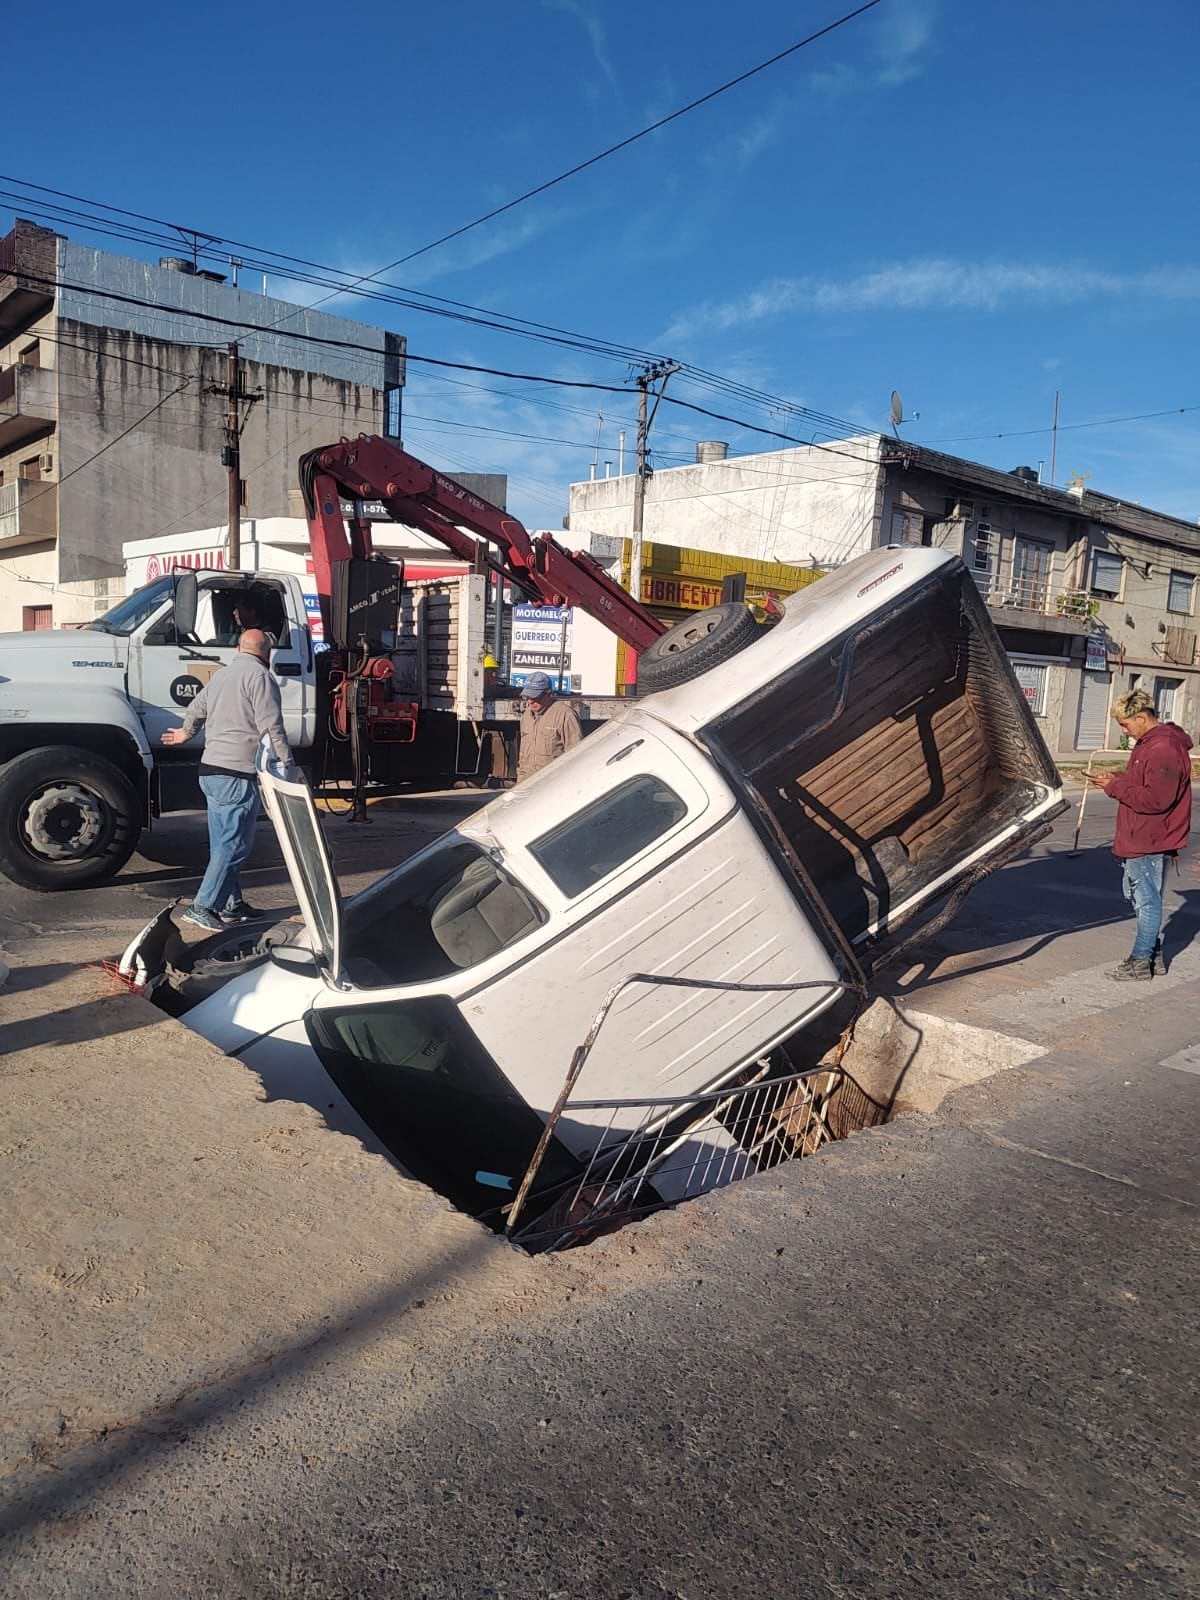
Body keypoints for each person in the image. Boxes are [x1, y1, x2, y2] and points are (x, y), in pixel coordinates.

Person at [161, 628, 295, 930]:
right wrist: (288, 765)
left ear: (238, 649)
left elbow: (196, 708)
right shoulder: (260, 678)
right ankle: (203, 906)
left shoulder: (221, 676)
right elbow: (271, 727)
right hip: (237, 774)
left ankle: (231, 906)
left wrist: (186, 733)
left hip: (210, 771)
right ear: (267, 653)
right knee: (234, 847)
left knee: (222, 844)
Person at [1084, 688, 1193, 981]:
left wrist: (1114, 788)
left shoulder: (1163, 749)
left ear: (1142, 718)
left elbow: (1156, 800)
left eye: (1125, 723)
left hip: (1149, 836)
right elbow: (1141, 784)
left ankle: (1140, 960)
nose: (1124, 729)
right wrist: (1116, 779)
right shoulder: (1149, 744)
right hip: (1141, 834)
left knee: (1146, 900)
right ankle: (1153, 955)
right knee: (1141, 896)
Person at [515, 670, 581, 783]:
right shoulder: (526, 716)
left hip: (552, 784)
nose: (530, 701)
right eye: (527, 696)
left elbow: (576, 755)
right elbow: (523, 754)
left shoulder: (565, 715)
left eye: (535, 697)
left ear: (549, 694)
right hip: (526, 783)